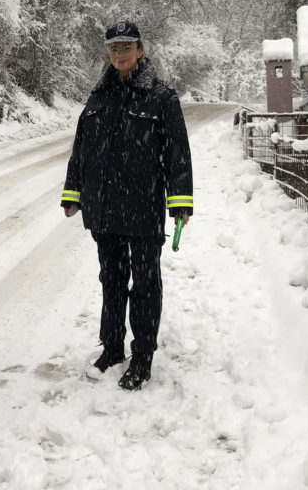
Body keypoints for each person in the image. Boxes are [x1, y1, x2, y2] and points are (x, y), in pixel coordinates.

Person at [60, 20, 193, 390]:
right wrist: (73, 192)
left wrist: (180, 203)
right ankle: (113, 347)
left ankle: (143, 355)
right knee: (112, 279)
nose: (119, 54)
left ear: (140, 50)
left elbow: (178, 154)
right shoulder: (98, 96)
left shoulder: (161, 98)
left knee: (146, 283)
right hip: (104, 208)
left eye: (126, 47)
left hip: (144, 207)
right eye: (113, 48)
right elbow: (81, 150)